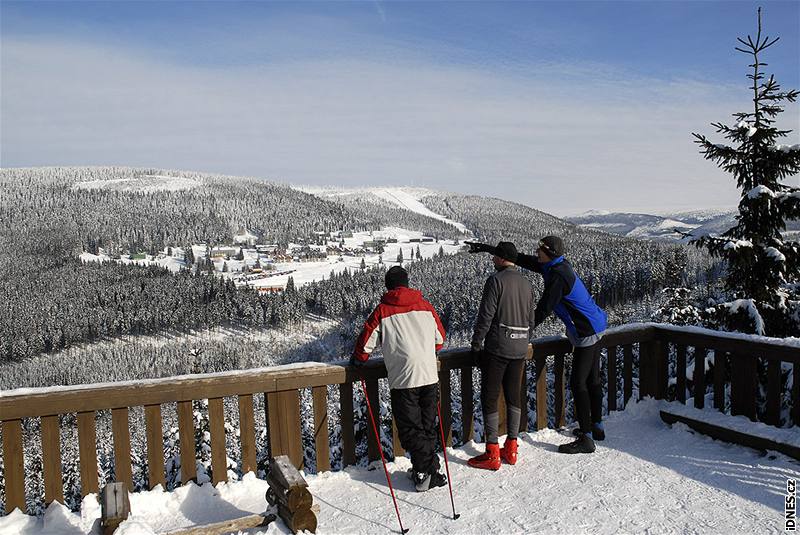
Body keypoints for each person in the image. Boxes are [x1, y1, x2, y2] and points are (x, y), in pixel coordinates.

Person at [467, 236, 607, 454]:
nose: (536, 252)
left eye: (540, 250)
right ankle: (596, 426)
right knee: (593, 380)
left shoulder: (558, 276)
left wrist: (523, 331)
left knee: (579, 382)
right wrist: (487, 248)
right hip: (595, 323)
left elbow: (543, 309)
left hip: (585, 329)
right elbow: (519, 259)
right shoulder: (555, 265)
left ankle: (587, 438)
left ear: (548, 253)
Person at [350, 266, 448, 491]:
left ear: (388, 285)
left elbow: (365, 346)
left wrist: (358, 360)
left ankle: (426, 471)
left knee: (410, 429)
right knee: (427, 426)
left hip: (404, 379)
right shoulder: (425, 306)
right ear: (407, 282)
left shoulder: (383, 311)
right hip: (429, 375)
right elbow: (440, 339)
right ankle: (427, 470)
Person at [468, 242, 535, 470]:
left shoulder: (495, 281)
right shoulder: (527, 284)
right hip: (520, 348)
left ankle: (492, 451)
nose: (492, 259)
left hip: (498, 347)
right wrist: (524, 341)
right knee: (513, 396)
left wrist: (476, 344)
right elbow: (530, 320)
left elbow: (486, 316)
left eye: (494, 255)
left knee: (490, 396)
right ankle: (512, 447)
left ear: (500, 258)